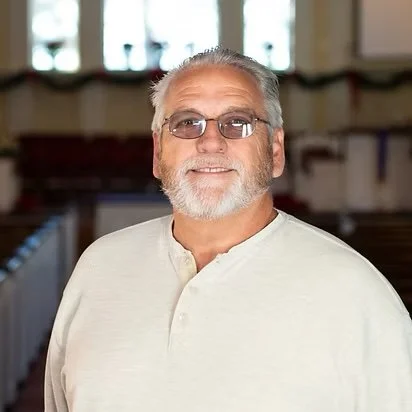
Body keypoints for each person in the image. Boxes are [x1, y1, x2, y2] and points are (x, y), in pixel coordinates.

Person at [44, 47, 412, 411]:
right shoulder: (99, 267)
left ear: (275, 151)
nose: (210, 142)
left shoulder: (354, 291)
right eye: (187, 122)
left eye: (237, 123)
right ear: (158, 152)